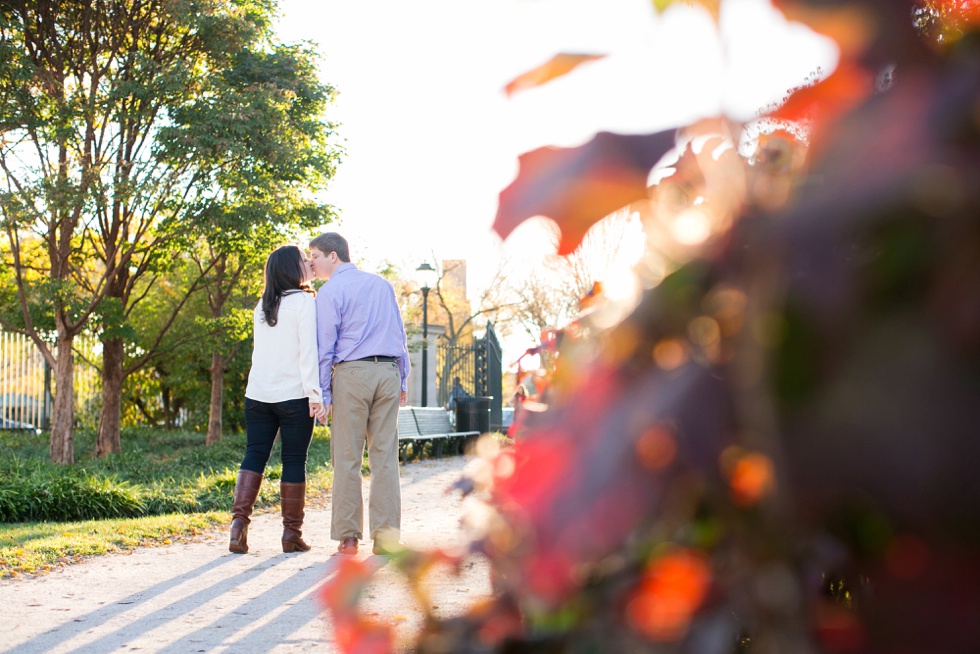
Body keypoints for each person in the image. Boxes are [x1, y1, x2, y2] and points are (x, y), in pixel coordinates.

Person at [309, 232, 410, 556]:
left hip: (351, 374)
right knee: (385, 458)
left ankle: (349, 537)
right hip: (387, 372)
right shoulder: (382, 285)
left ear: (333, 256)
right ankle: (386, 537)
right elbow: (399, 333)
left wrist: (323, 393)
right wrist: (403, 378)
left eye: (315, 255)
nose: (311, 262)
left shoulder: (330, 292)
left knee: (348, 458)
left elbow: (325, 348)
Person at [229, 245, 327, 554]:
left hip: (257, 394)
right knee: (294, 460)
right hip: (294, 395)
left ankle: (238, 526)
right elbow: (308, 352)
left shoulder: (263, 304)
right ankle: (291, 535)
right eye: (303, 260)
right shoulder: (304, 302)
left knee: (254, 454)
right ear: (291, 269)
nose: (309, 263)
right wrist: (315, 394)